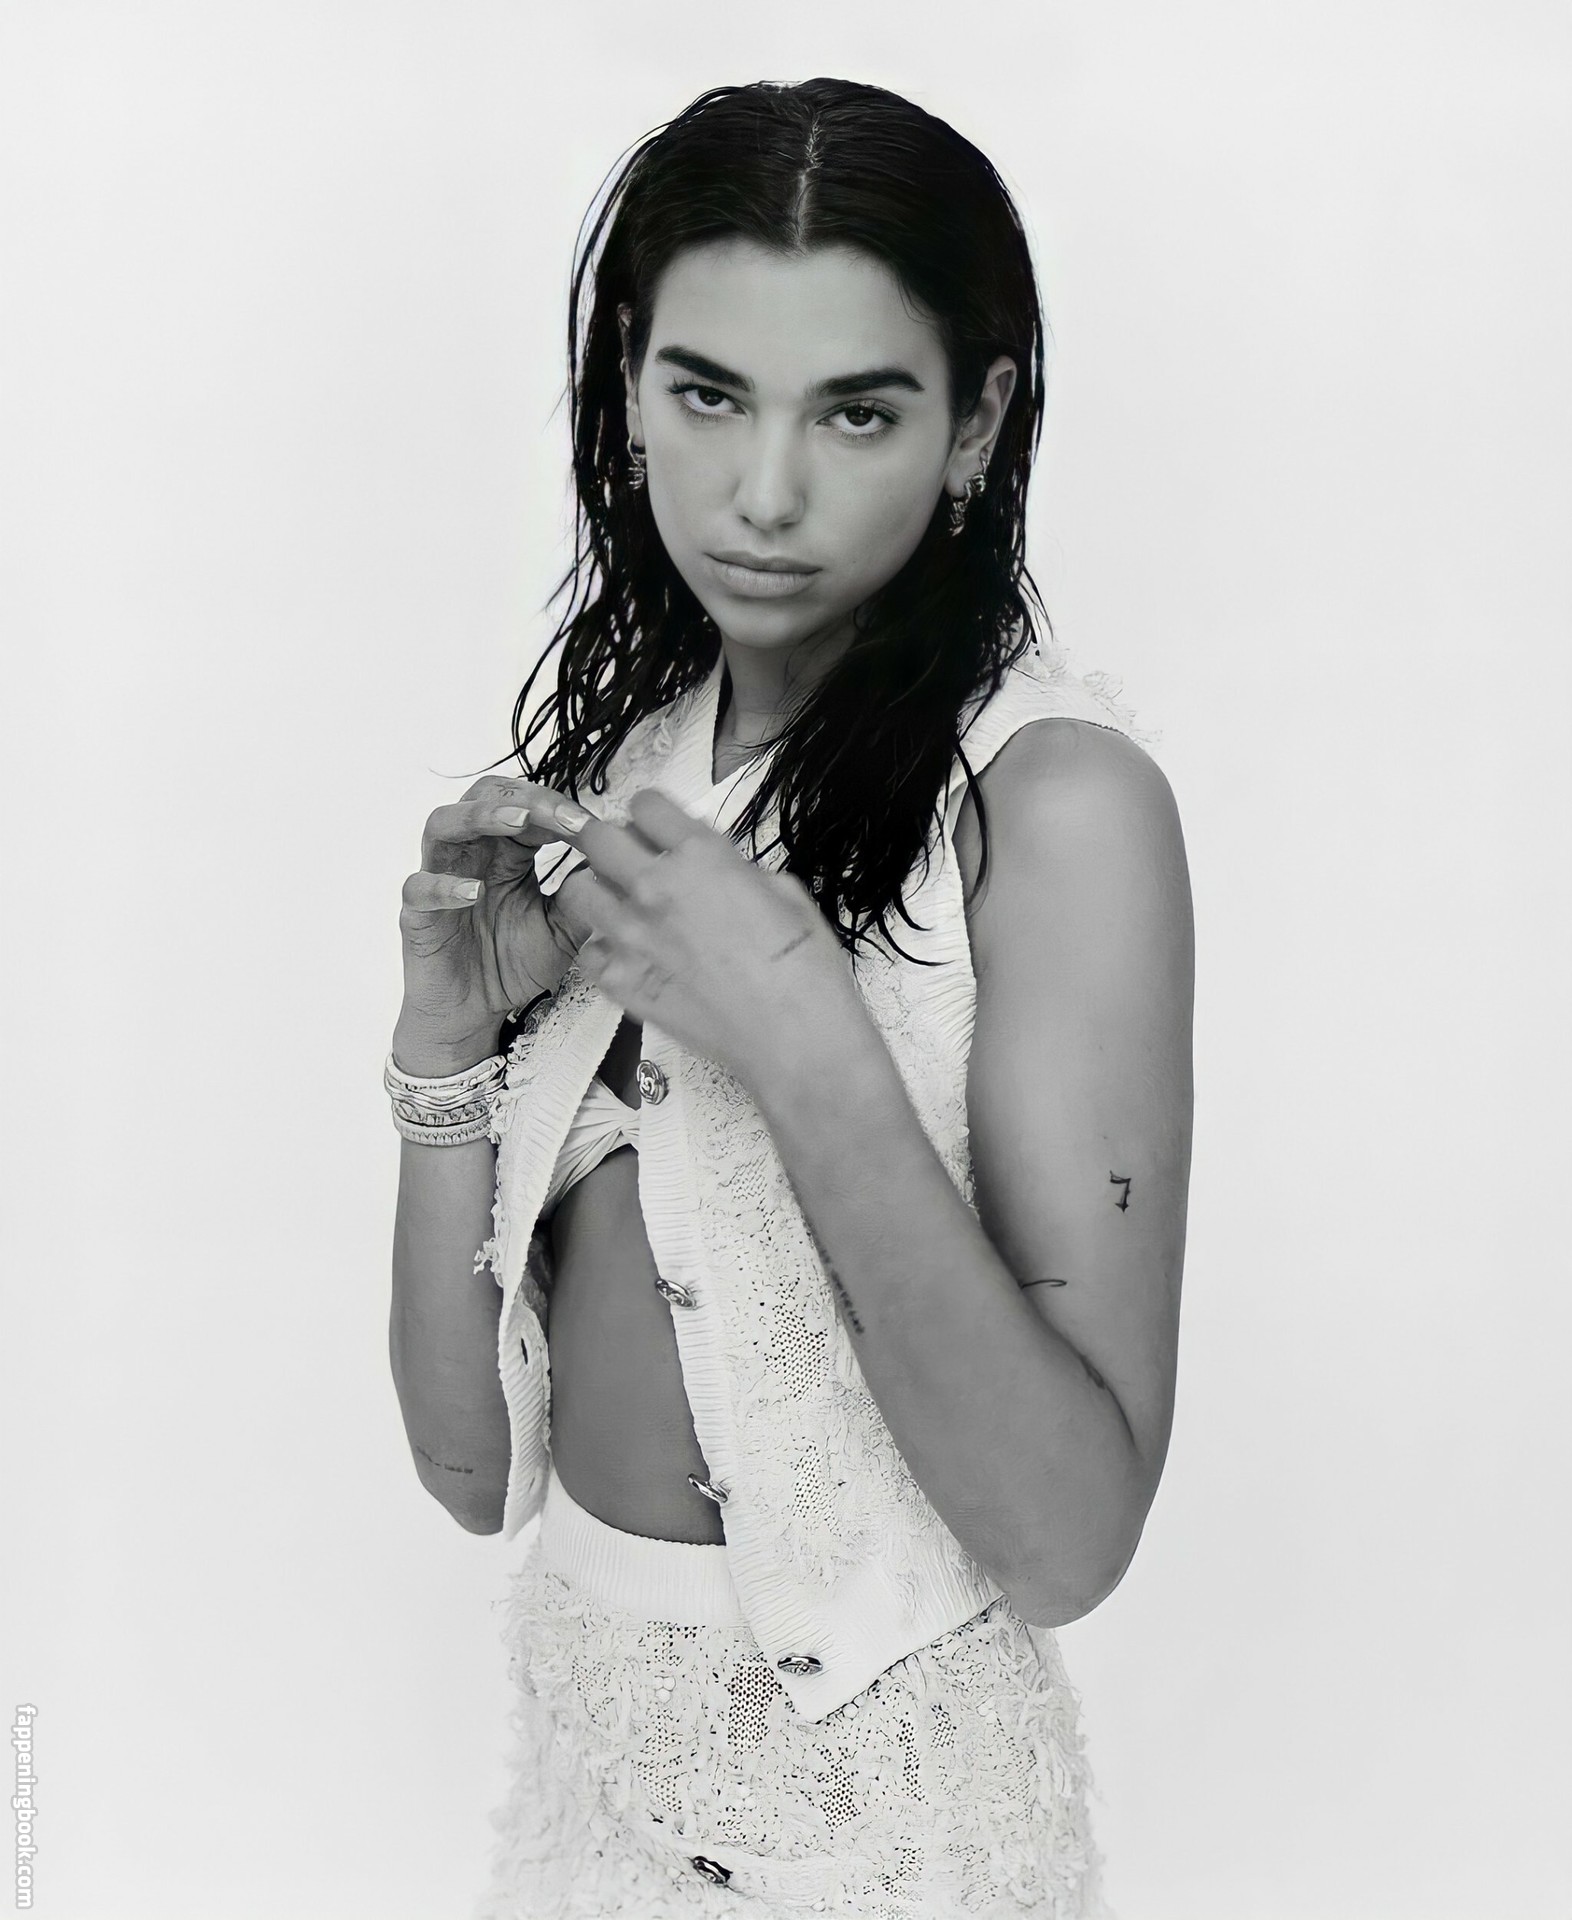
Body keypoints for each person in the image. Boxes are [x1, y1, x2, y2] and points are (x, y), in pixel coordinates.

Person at [387, 77, 1193, 1920]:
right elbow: (469, 1471)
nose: (764, 493)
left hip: (893, 1852)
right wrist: (443, 1057)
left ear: (977, 422)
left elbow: (1070, 1542)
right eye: (707, 394)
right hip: (581, 1831)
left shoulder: (1051, 809)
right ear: (626, 388)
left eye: (858, 411)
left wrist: (801, 1034)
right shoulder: (632, 790)